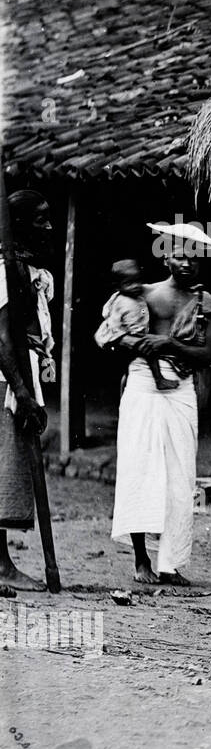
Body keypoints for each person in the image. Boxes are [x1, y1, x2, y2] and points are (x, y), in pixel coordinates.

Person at [110, 233, 211, 587]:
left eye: (194, 257)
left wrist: (169, 343)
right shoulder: (145, 295)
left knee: (180, 474)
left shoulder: (207, 302)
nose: (187, 263)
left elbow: (206, 356)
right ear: (166, 259)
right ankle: (141, 558)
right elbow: (117, 335)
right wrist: (140, 345)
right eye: (179, 256)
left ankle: (170, 563)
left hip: (183, 385)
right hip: (144, 382)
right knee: (140, 467)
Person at [0, 189, 55, 596]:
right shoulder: (4, 270)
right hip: (6, 381)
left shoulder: (25, 269)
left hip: (21, 377)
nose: (49, 226)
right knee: (5, 471)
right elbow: (1, 337)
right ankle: (1, 565)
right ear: (17, 223)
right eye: (40, 219)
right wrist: (21, 391)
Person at [95, 259, 178, 390]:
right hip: (129, 337)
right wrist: (125, 337)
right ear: (117, 286)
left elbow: (143, 311)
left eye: (138, 281)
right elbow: (111, 322)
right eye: (129, 283)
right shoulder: (121, 302)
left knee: (129, 371)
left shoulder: (136, 297)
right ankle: (159, 379)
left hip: (137, 333)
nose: (136, 286)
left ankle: (130, 384)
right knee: (150, 352)